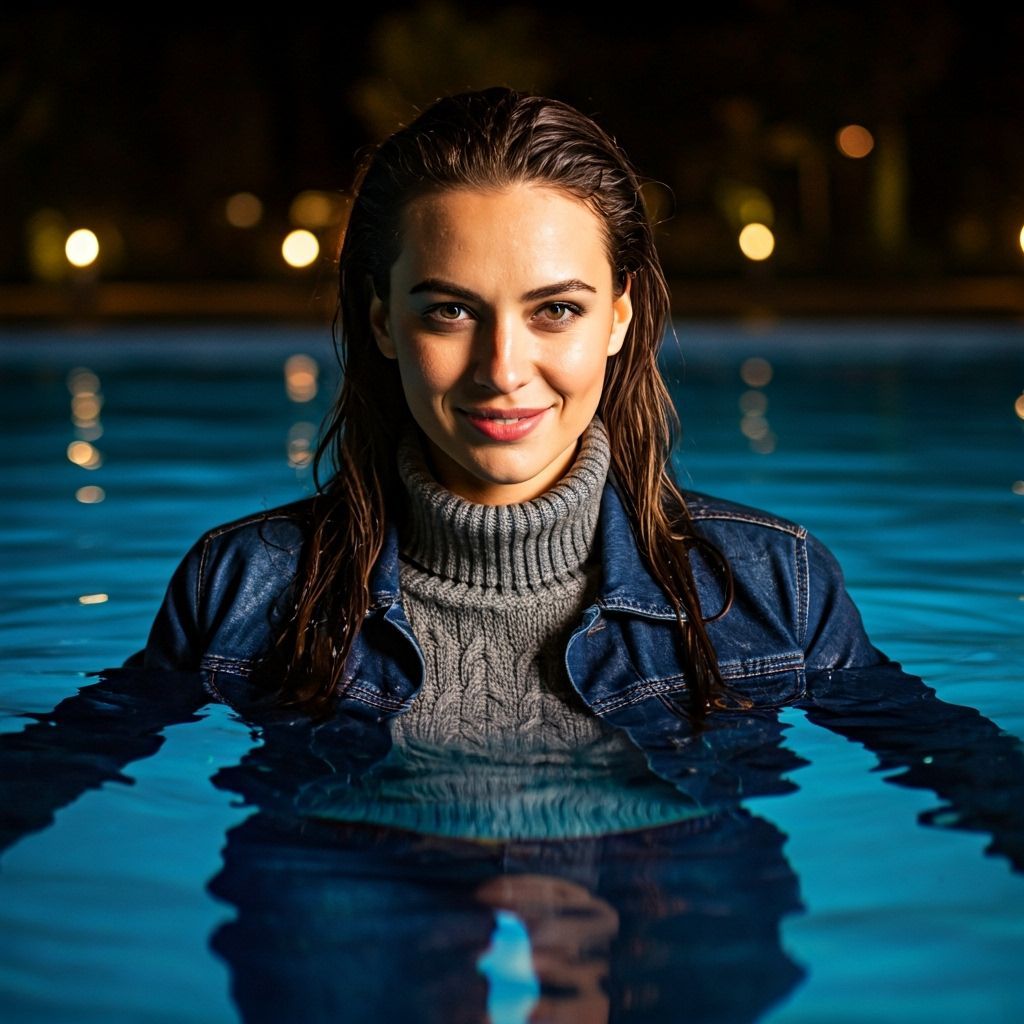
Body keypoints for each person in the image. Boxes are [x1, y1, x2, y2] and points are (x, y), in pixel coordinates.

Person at [128, 86, 887, 765]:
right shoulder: (239, 592)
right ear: (383, 322)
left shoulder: (776, 590)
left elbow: (955, 774)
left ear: (618, 316)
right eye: (450, 311)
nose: (503, 369)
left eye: (555, 310)